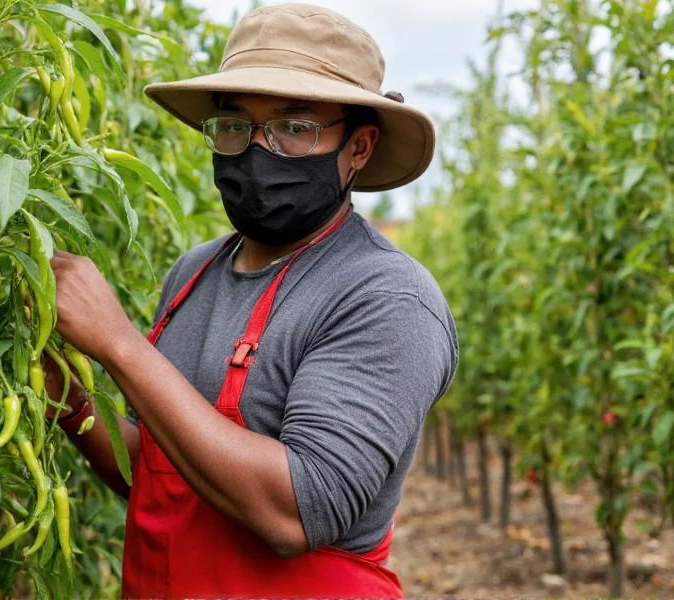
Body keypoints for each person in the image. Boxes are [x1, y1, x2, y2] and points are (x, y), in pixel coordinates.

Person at [44, 3, 458, 597]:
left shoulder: (386, 298)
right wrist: (61, 389)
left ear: (359, 147)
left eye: (296, 127)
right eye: (237, 125)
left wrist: (116, 343)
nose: (260, 150)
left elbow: (295, 512)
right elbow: (156, 471)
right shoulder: (194, 271)